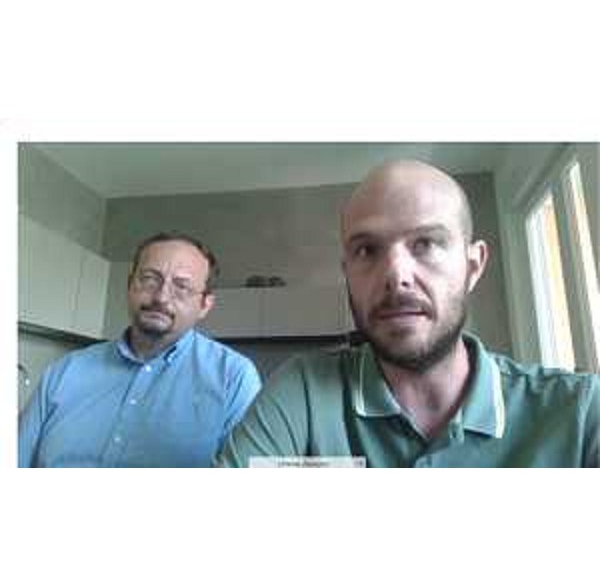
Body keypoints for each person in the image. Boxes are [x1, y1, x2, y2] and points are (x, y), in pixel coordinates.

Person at [215, 160, 600, 468]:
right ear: (347, 272)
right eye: (367, 250)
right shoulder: (303, 392)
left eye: (426, 243)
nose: (396, 276)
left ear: (473, 266)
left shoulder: (581, 411)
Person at [19, 232, 262, 467]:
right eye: (149, 279)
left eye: (182, 286)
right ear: (129, 285)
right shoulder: (65, 371)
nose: (161, 297)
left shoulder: (234, 378)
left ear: (205, 305)